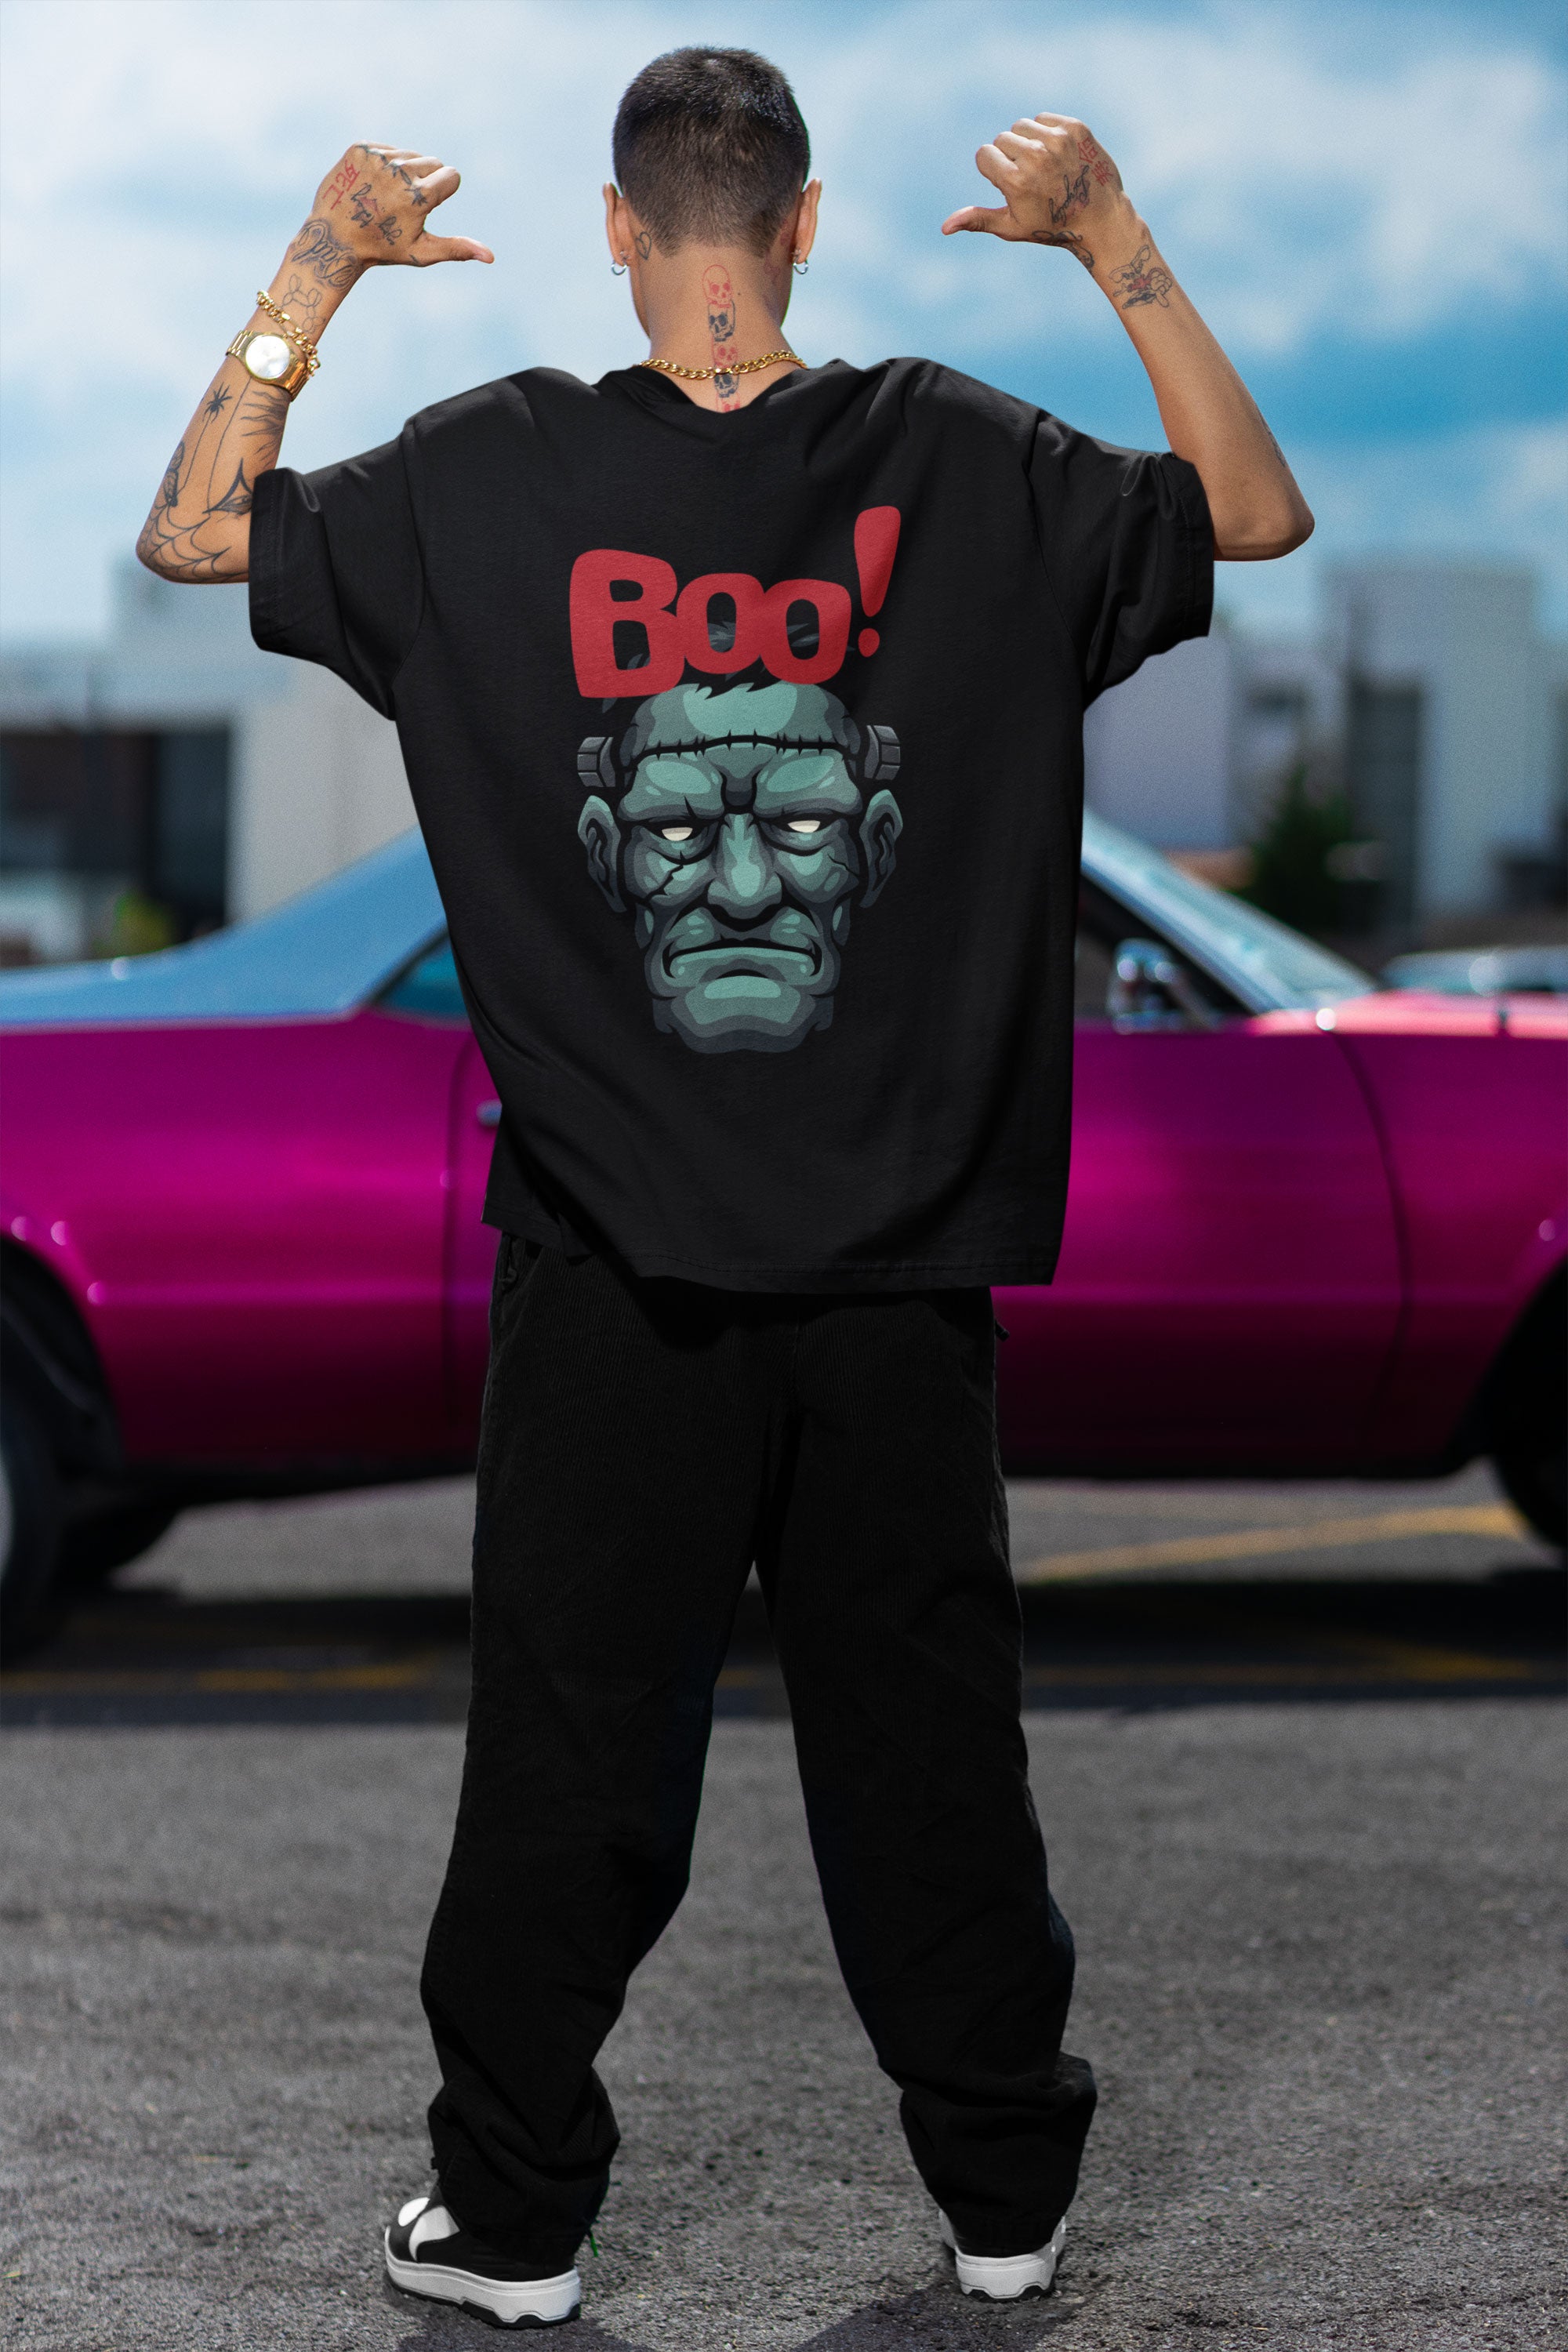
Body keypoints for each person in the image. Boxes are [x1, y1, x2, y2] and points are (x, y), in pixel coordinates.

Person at [138, 45, 1311, 2331]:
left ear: (615, 226)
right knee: (927, 1745)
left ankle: (514, 2221)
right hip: (900, 1268)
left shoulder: (484, 472)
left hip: (614, 1272)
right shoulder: (966, 457)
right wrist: (1111, 243)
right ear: (804, 222)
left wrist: (319, 269)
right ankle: (1004, 2196)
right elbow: (1252, 515)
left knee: (570, 1758)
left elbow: (197, 534)